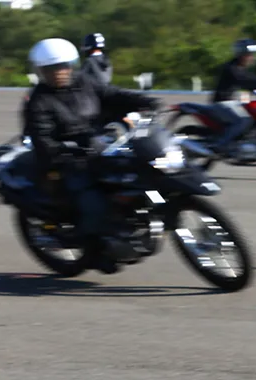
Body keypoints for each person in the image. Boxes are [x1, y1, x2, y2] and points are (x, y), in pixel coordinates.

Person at [23, 37, 160, 273]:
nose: (58, 73)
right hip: (67, 159)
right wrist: (64, 150)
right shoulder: (39, 101)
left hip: (99, 145)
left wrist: (144, 101)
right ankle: (96, 248)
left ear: (71, 65)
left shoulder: (84, 82)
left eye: (62, 66)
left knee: (136, 172)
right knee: (93, 199)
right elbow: (42, 138)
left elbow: (112, 94)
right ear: (41, 71)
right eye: (51, 69)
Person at [208, 38, 256, 157]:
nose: (252, 57)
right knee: (244, 120)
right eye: (249, 54)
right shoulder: (231, 68)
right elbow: (244, 81)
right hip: (222, 102)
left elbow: (253, 80)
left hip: (233, 102)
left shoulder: (241, 68)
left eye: (252, 54)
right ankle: (220, 145)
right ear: (241, 54)